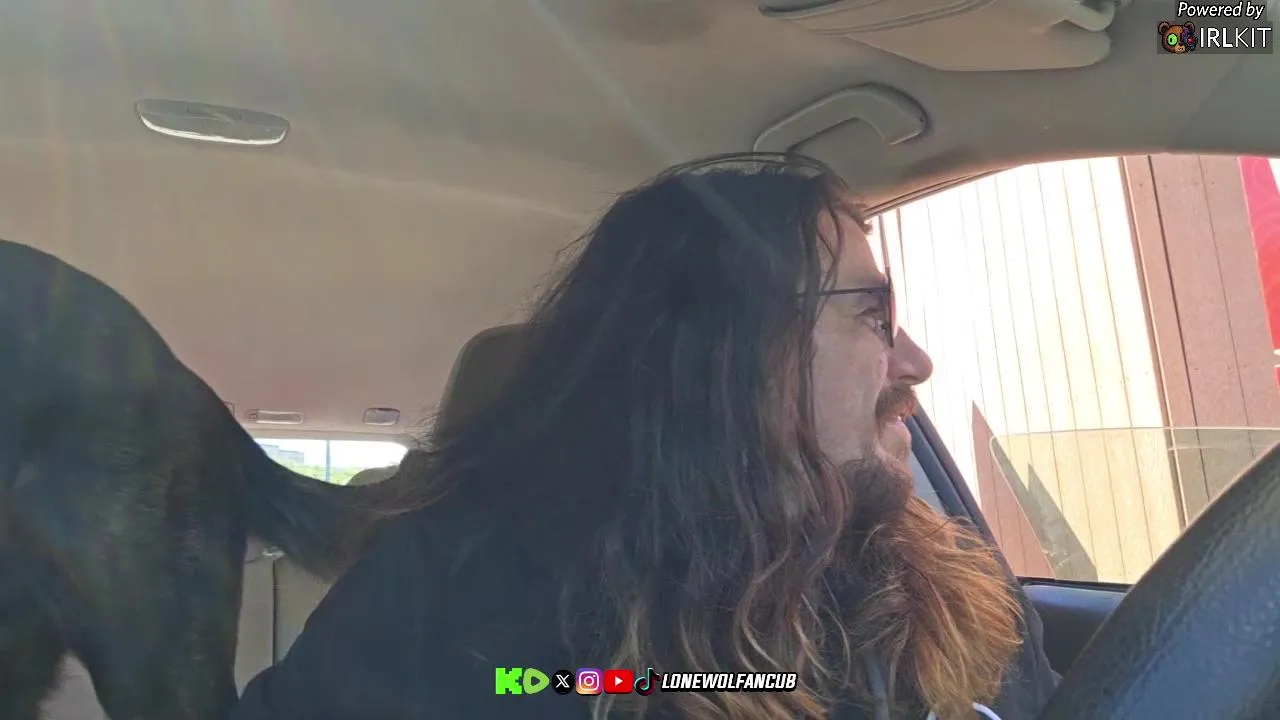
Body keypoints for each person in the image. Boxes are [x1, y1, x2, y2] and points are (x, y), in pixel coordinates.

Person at [230, 153, 1059, 719]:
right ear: (728, 355)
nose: (914, 362)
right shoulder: (463, 607)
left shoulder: (947, 589)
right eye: (873, 314)